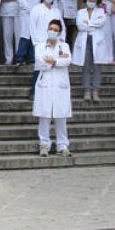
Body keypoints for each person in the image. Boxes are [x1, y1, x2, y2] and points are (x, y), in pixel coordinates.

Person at [33, 19, 73, 157]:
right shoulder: (40, 46)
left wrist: (53, 60)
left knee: (61, 116)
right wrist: (57, 60)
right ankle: (44, 144)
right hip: (45, 83)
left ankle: (62, 145)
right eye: (51, 29)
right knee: (44, 116)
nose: (53, 32)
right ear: (47, 30)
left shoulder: (65, 46)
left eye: (56, 30)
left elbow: (67, 60)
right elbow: (41, 63)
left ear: (60, 32)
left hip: (60, 84)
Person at [73, 0, 109, 102]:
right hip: (85, 40)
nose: (91, 2)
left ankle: (96, 91)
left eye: (94, 0)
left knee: (97, 67)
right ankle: (87, 91)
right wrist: (93, 25)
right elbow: (80, 26)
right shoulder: (80, 12)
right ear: (86, 0)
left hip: (97, 41)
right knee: (86, 66)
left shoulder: (101, 12)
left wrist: (87, 24)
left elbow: (101, 22)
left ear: (97, 1)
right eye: (89, 0)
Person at [28, 0, 64, 95]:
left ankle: (50, 92)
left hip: (54, 43)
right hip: (40, 43)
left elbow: (62, 27)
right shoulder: (36, 9)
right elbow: (32, 27)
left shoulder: (56, 11)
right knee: (40, 67)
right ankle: (34, 92)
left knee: (53, 67)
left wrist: (61, 41)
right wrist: (36, 43)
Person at [14, 0, 42, 65]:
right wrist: (28, 7)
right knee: (25, 35)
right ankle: (20, 58)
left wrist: (37, 10)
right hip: (26, 13)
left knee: (34, 35)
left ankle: (32, 58)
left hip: (38, 13)